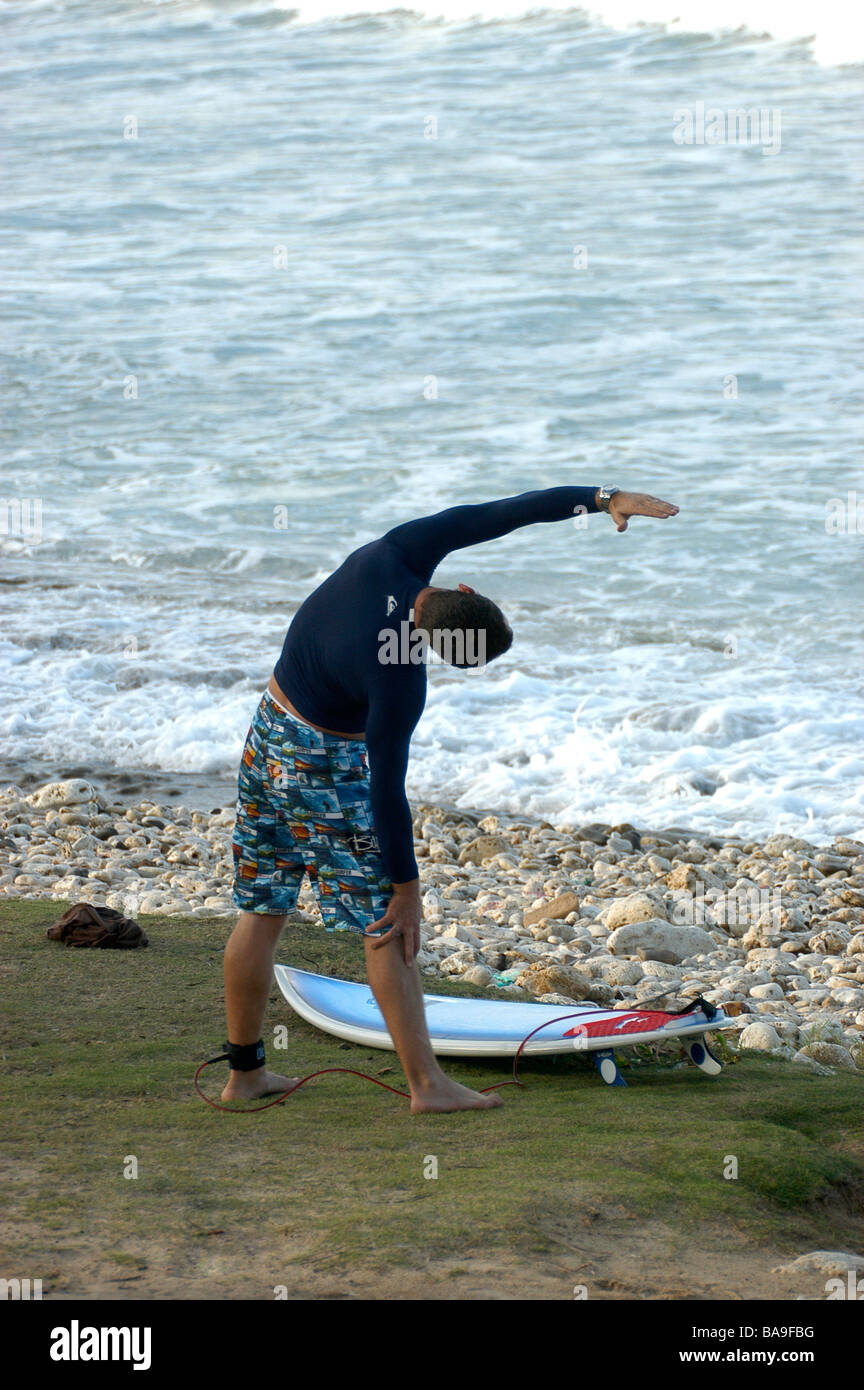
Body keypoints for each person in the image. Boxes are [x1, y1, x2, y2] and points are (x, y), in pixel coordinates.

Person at [223, 484, 678, 1112]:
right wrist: (406, 892)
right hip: (321, 765)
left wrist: (604, 498)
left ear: (461, 592)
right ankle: (427, 1086)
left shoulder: (397, 553)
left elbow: (505, 513)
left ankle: (244, 1073)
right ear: (440, 645)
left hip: (269, 730)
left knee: (263, 909)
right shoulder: (400, 679)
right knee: (386, 927)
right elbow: (385, 792)